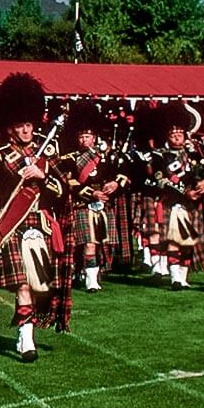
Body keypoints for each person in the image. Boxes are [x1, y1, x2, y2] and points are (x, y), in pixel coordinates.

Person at [0, 73, 69, 362]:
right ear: (10, 128)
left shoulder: (46, 154)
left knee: (38, 286)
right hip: (14, 226)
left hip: (40, 224)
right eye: (20, 125)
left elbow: (62, 190)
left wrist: (42, 175)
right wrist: (17, 176)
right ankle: (25, 339)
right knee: (22, 284)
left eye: (29, 124)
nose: (26, 130)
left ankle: (26, 330)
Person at [141, 103, 204, 289]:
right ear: (167, 136)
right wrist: (185, 192)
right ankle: (174, 278)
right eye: (173, 134)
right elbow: (161, 180)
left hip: (193, 204)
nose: (177, 137)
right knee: (174, 240)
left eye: (180, 134)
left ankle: (184, 278)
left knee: (188, 243)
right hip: (173, 202)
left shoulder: (195, 154)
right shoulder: (160, 156)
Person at [59, 100, 128, 293]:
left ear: (94, 136)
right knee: (88, 243)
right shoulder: (70, 159)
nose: (84, 140)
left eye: (87, 135)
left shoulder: (108, 156)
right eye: (81, 136)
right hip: (83, 204)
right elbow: (70, 182)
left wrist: (114, 184)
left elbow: (123, 173)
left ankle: (92, 274)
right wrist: (92, 194)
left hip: (104, 204)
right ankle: (91, 281)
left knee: (101, 244)